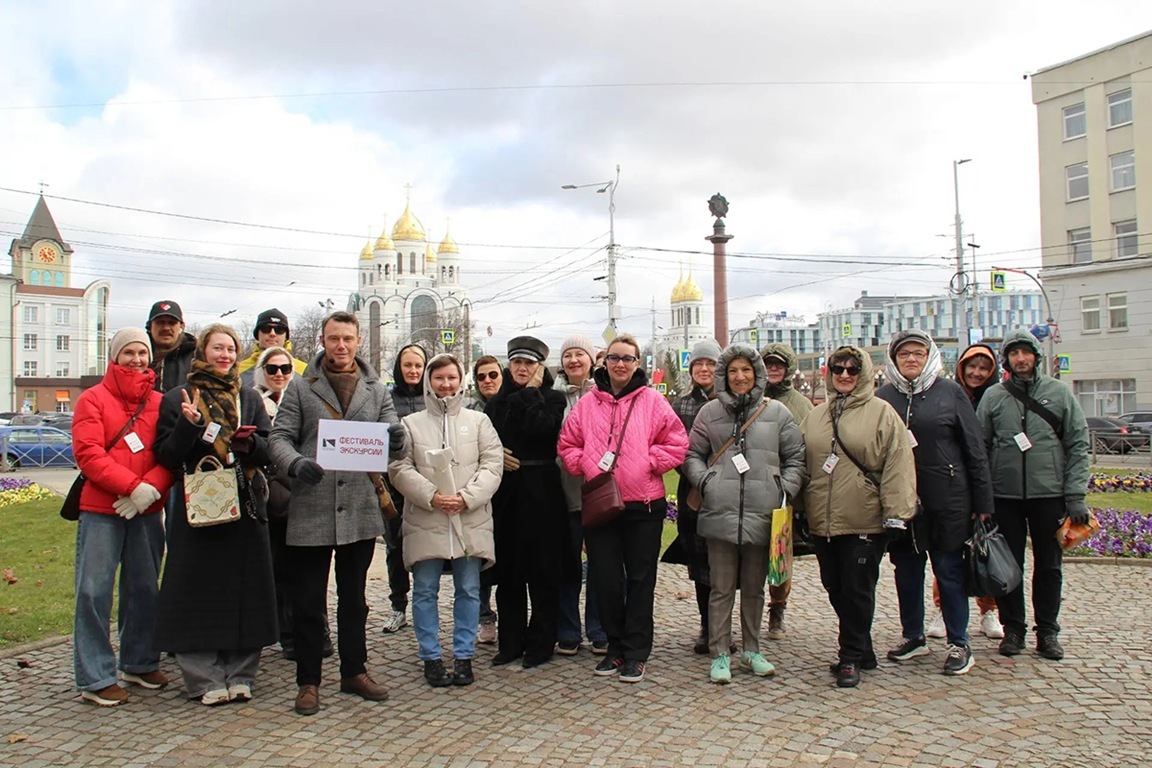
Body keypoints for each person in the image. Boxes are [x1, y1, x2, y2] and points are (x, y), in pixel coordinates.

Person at [268, 311, 408, 715]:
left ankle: (354, 670)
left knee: (355, 599)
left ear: (358, 340)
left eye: (347, 338)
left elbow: (392, 440)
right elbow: (279, 437)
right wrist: (294, 464)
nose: (341, 346)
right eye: (333, 339)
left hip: (360, 508)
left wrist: (397, 438)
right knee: (309, 601)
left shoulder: (376, 389)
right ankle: (308, 680)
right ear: (323, 341)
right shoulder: (300, 385)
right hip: (311, 504)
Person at [153, 324, 277, 706]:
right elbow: (167, 455)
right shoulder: (179, 397)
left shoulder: (248, 396)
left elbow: (269, 449)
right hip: (199, 504)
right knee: (197, 590)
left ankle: (241, 673)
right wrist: (190, 427)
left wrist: (250, 442)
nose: (224, 355)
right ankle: (203, 677)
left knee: (245, 588)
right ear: (203, 352)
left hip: (244, 502)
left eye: (230, 349)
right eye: (217, 348)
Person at [558, 334, 689, 684]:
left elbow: (677, 442)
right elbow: (567, 443)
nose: (620, 364)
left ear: (637, 364)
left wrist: (650, 461)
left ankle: (636, 651)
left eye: (628, 359)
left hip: (643, 504)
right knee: (606, 578)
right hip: (602, 503)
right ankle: (614, 646)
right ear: (605, 362)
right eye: (615, 357)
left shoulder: (652, 401)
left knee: (640, 579)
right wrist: (584, 464)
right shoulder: (588, 404)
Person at [683, 344, 806, 684]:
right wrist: (707, 482)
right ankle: (720, 651)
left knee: (754, 587)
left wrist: (783, 489)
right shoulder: (710, 413)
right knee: (721, 588)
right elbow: (692, 454)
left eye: (746, 371)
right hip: (720, 511)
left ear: (756, 374)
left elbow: (796, 457)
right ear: (725, 375)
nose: (739, 377)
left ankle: (752, 648)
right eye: (733, 371)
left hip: (762, 511)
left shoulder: (777, 413)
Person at [875, 330, 994, 677]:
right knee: (907, 572)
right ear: (894, 359)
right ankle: (913, 635)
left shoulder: (949, 392)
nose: (911, 359)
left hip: (948, 498)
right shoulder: (884, 397)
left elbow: (975, 449)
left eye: (918, 353)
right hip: (903, 502)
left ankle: (959, 642)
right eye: (904, 354)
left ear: (930, 357)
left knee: (949, 571)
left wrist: (982, 500)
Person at [800, 346, 916, 688]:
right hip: (823, 518)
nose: (845, 375)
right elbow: (801, 461)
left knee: (857, 588)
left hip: (864, 517)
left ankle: (849, 656)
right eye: (838, 369)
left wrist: (897, 513)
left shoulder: (882, 413)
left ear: (863, 373)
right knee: (833, 585)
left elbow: (899, 464)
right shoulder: (817, 415)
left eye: (852, 369)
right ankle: (863, 647)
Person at [71, 328, 173, 707]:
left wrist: (150, 488)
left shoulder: (161, 402)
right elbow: (89, 453)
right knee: (94, 591)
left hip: (146, 509)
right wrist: (132, 486)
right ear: (114, 357)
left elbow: (170, 453)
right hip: (102, 509)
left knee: (145, 587)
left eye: (142, 353)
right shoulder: (92, 400)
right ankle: (95, 675)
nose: (136, 360)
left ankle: (140, 660)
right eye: (128, 352)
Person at [388, 354, 503, 688]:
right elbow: (399, 468)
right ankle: (431, 656)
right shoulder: (411, 423)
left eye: (452, 377)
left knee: (468, 589)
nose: (446, 384)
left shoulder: (479, 422)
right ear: (429, 381)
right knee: (425, 590)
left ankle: (464, 655)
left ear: (460, 380)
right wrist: (431, 496)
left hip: (469, 518)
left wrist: (467, 497)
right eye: (439, 378)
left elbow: (492, 465)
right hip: (427, 517)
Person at [976, 329, 1090, 661]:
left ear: (1036, 357)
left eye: (1026, 353)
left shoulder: (1059, 393)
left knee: (1050, 566)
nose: (1021, 359)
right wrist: (984, 498)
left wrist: (1075, 494)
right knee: (1009, 567)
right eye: (1014, 354)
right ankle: (1014, 629)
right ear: (1007, 360)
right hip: (1005, 496)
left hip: (1049, 494)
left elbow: (1078, 444)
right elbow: (980, 449)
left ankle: (1048, 631)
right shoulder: (994, 397)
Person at [483, 336, 571, 669]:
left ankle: (541, 642)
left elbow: (542, 431)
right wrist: (495, 456)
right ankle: (511, 642)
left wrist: (530, 394)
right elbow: (486, 442)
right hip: (507, 495)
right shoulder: (496, 403)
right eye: (517, 363)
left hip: (543, 494)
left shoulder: (552, 399)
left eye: (529, 364)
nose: (522, 368)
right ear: (509, 365)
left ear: (540, 368)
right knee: (508, 574)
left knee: (543, 573)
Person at [253, 346, 333, 662]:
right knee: (279, 567)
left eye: (286, 368)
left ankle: (316, 629)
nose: (279, 375)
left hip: (304, 490)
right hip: (269, 495)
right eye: (272, 369)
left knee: (309, 570)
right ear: (262, 371)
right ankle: (287, 633)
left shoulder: (302, 397)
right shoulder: (252, 401)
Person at [925, 343, 1004, 641]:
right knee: (947, 554)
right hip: (955, 486)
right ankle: (945, 608)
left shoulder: (998, 398)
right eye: (972, 366)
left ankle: (988, 609)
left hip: (989, 484)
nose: (977, 373)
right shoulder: (948, 395)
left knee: (986, 550)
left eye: (984, 368)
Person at [553, 335, 609, 657]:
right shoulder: (553, 397)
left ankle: (599, 628)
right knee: (567, 564)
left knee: (601, 563)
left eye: (579, 354)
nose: (573, 360)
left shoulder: (602, 396)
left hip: (599, 490)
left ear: (590, 360)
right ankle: (569, 629)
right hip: (564, 492)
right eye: (568, 355)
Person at [668, 339, 722, 654]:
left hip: (728, 494)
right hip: (693, 495)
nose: (704, 369)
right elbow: (675, 447)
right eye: (698, 364)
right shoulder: (681, 405)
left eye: (710, 364)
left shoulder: (731, 403)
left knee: (727, 564)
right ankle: (707, 625)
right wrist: (695, 476)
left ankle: (724, 624)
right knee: (701, 565)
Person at [760, 342, 814, 640]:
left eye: (779, 364)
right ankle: (750, 609)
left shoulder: (801, 404)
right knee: (752, 555)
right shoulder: (752, 396)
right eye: (768, 364)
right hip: (754, 487)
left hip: (784, 491)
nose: (773, 369)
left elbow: (807, 449)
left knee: (780, 556)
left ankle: (777, 608)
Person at [381, 343, 428, 635]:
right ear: (399, 368)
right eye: (407, 365)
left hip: (427, 484)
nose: (412, 371)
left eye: (418, 366)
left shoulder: (431, 398)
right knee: (394, 546)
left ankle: (427, 604)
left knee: (427, 545)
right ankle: (399, 605)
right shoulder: (386, 400)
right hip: (394, 484)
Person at [468, 354, 503, 644]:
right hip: (477, 493)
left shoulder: (509, 404)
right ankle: (484, 617)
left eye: (493, 375)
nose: (487, 381)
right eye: (481, 377)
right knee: (480, 560)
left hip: (509, 494)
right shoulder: (469, 410)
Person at [238, 308, 308, 386]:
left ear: (286, 336)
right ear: (257, 334)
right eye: (266, 328)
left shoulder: (305, 371)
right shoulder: (238, 370)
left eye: (279, 329)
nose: (272, 333)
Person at [146, 300, 196, 392]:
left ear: (182, 325)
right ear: (150, 325)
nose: (166, 328)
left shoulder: (196, 357)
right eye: (160, 322)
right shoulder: (138, 356)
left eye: (172, 323)